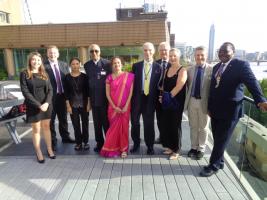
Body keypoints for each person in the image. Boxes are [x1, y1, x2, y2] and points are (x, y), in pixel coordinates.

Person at [200, 42, 267, 177]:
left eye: (226, 51)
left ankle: (213, 165)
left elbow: (252, 82)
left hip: (231, 111)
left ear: (233, 52)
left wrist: (261, 100)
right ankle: (220, 161)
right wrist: (209, 107)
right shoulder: (216, 67)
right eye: (220, 51)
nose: (222, 53)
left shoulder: (241, 65)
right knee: (218, 137)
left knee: (221, 139)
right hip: (216, 110)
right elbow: (213, 89)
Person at [20, 52, 56, 163]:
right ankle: (38, 151)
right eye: (34, 59)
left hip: (46, 105)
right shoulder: (25, 73)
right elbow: (25, 92)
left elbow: (50, 90)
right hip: (33, 106)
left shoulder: (44, 73)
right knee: (36, 129)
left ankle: (49, 149)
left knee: (47, 127)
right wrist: (38, 105)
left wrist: (46, 103)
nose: (36, 62)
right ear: (30, 61)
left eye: (38, 60)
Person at [130, 42, 161, 155]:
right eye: (145, 50)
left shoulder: (159, 67)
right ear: (142, 51)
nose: (147, 52)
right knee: (135, 123)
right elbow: (131, 83)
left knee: (149, 124)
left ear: (153, 51)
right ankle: (136, 143)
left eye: (149, 50)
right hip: (137, 99)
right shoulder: (136, 66)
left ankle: (150, 146)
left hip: (150, 100)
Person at [100, 57, 134, 158]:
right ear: (112, 65)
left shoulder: (129, 76)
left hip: (125, 108)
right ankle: (112, 148)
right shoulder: (109, 78)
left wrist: (126, 106)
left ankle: (124, 149)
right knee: (113, 130)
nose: (117, 65)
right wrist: (115, 107)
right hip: (113, 108)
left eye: (118, 63)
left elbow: (130, 93)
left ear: (122, 64)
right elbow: (107, 94)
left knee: (124, 129)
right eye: (114, 63)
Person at [44, 45, 75, 151]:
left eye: (54, 52)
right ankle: (53, 141)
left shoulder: (64, 65)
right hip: (50, 98)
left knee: (63, 119)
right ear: (47, 54)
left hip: (62, 96)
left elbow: (67, 80)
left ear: (58, 54)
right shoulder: (43, 66)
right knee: (51, 120)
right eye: (50, 53)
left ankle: (65, 137)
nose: (52, 54)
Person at [184, 46, 212, 160]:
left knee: (204, 127)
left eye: (202, 55)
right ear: (194, 56)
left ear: (206, 56)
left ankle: (201, 148)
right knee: (193, 126)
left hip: (204, 103)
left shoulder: (212, 69)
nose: (199, 57)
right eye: (197, 55)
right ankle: (193, 147)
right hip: (192, 101)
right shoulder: (189, 70)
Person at [159, 48, 187, 160]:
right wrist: (162, 96)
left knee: (176, 126)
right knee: (167, 124)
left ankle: (176, 150)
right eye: (170, 56)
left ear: (179, 56)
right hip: (167, 101)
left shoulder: (182, 70)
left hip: (176, 102)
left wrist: (167, 97)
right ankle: (170, 147)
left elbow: (179, 85)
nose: (172, 58)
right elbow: (163, 86)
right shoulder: (167, 69)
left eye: (174, 56)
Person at [84, 44, 111, 153]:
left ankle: (109, 143)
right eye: (92, 51)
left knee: (106, 123)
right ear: (89, 53)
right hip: (94, 100)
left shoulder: (107, 64)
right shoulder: (87, 65)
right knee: (97, 123)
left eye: (96, 51)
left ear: (100, 52)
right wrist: (89, 101)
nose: (94, 53)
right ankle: (99, 143)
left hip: (106, 100)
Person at [64, 57, 90, 151]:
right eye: (73, 64)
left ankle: (86, 142)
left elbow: (88, 92)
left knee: (85, 123)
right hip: (72, 105)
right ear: (70, 65)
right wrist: (68, 106)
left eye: (77, 64)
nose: (75, 66)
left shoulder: (85, 76)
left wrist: (88, 104)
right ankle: (78, 143)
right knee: (76, 124)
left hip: (84, 103)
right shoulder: (67, 77)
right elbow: (66, 93)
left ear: (80, 64)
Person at [155, 42, 171, 144]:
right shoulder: (155, 64)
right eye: (161, 50)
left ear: (169, 51)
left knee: (168, 118)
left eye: (165, 50)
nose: (163, 52)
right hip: (157, 97)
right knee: (159, 118)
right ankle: (161, 136)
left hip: (170, 97)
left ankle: (168, 138)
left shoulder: (174, 64)